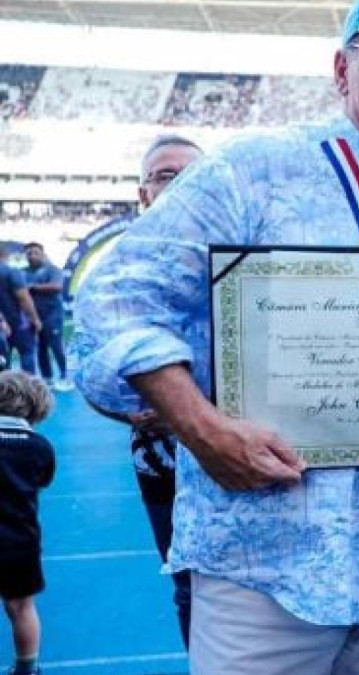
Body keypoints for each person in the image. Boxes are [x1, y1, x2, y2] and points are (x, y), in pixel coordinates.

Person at [71, 0, 359, 671]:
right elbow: (111, 300)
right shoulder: (254, 170)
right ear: (343, 68)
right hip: (266, 578)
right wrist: (202, 427)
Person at [78, 134, 205, 649]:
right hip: (162, 458)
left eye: (190, 173)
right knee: (187, 579)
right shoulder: (116, 270)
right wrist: (128, 412)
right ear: (143, 194)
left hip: (246, 445)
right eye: (163, 174)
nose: (176, 183)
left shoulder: (237, 252)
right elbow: (88, 367)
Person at [0, 371, 56, 675]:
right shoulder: (39, 446)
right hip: (19, 540)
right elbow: (43, 479)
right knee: (21, 607)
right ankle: (27, 667)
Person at [21, 243, 72, 392]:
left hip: (52, 314)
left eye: (35, 252)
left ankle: (66, 376)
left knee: (56, 346)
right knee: (40, 348)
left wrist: (32, 287)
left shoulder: (52, 269)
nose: (32, 256)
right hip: (33, 316)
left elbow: (57, 286)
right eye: (29, 253)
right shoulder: (22, 272)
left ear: (42, 254)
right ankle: (47, 378)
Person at [0, 246, 40, 375]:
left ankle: (4, 391)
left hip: (2, 324)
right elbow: (23, 297)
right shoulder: (11, 272)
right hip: (18, 323)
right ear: (5, 255)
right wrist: (35, 319)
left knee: (3, 360)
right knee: (27, 355)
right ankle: (28, 391)